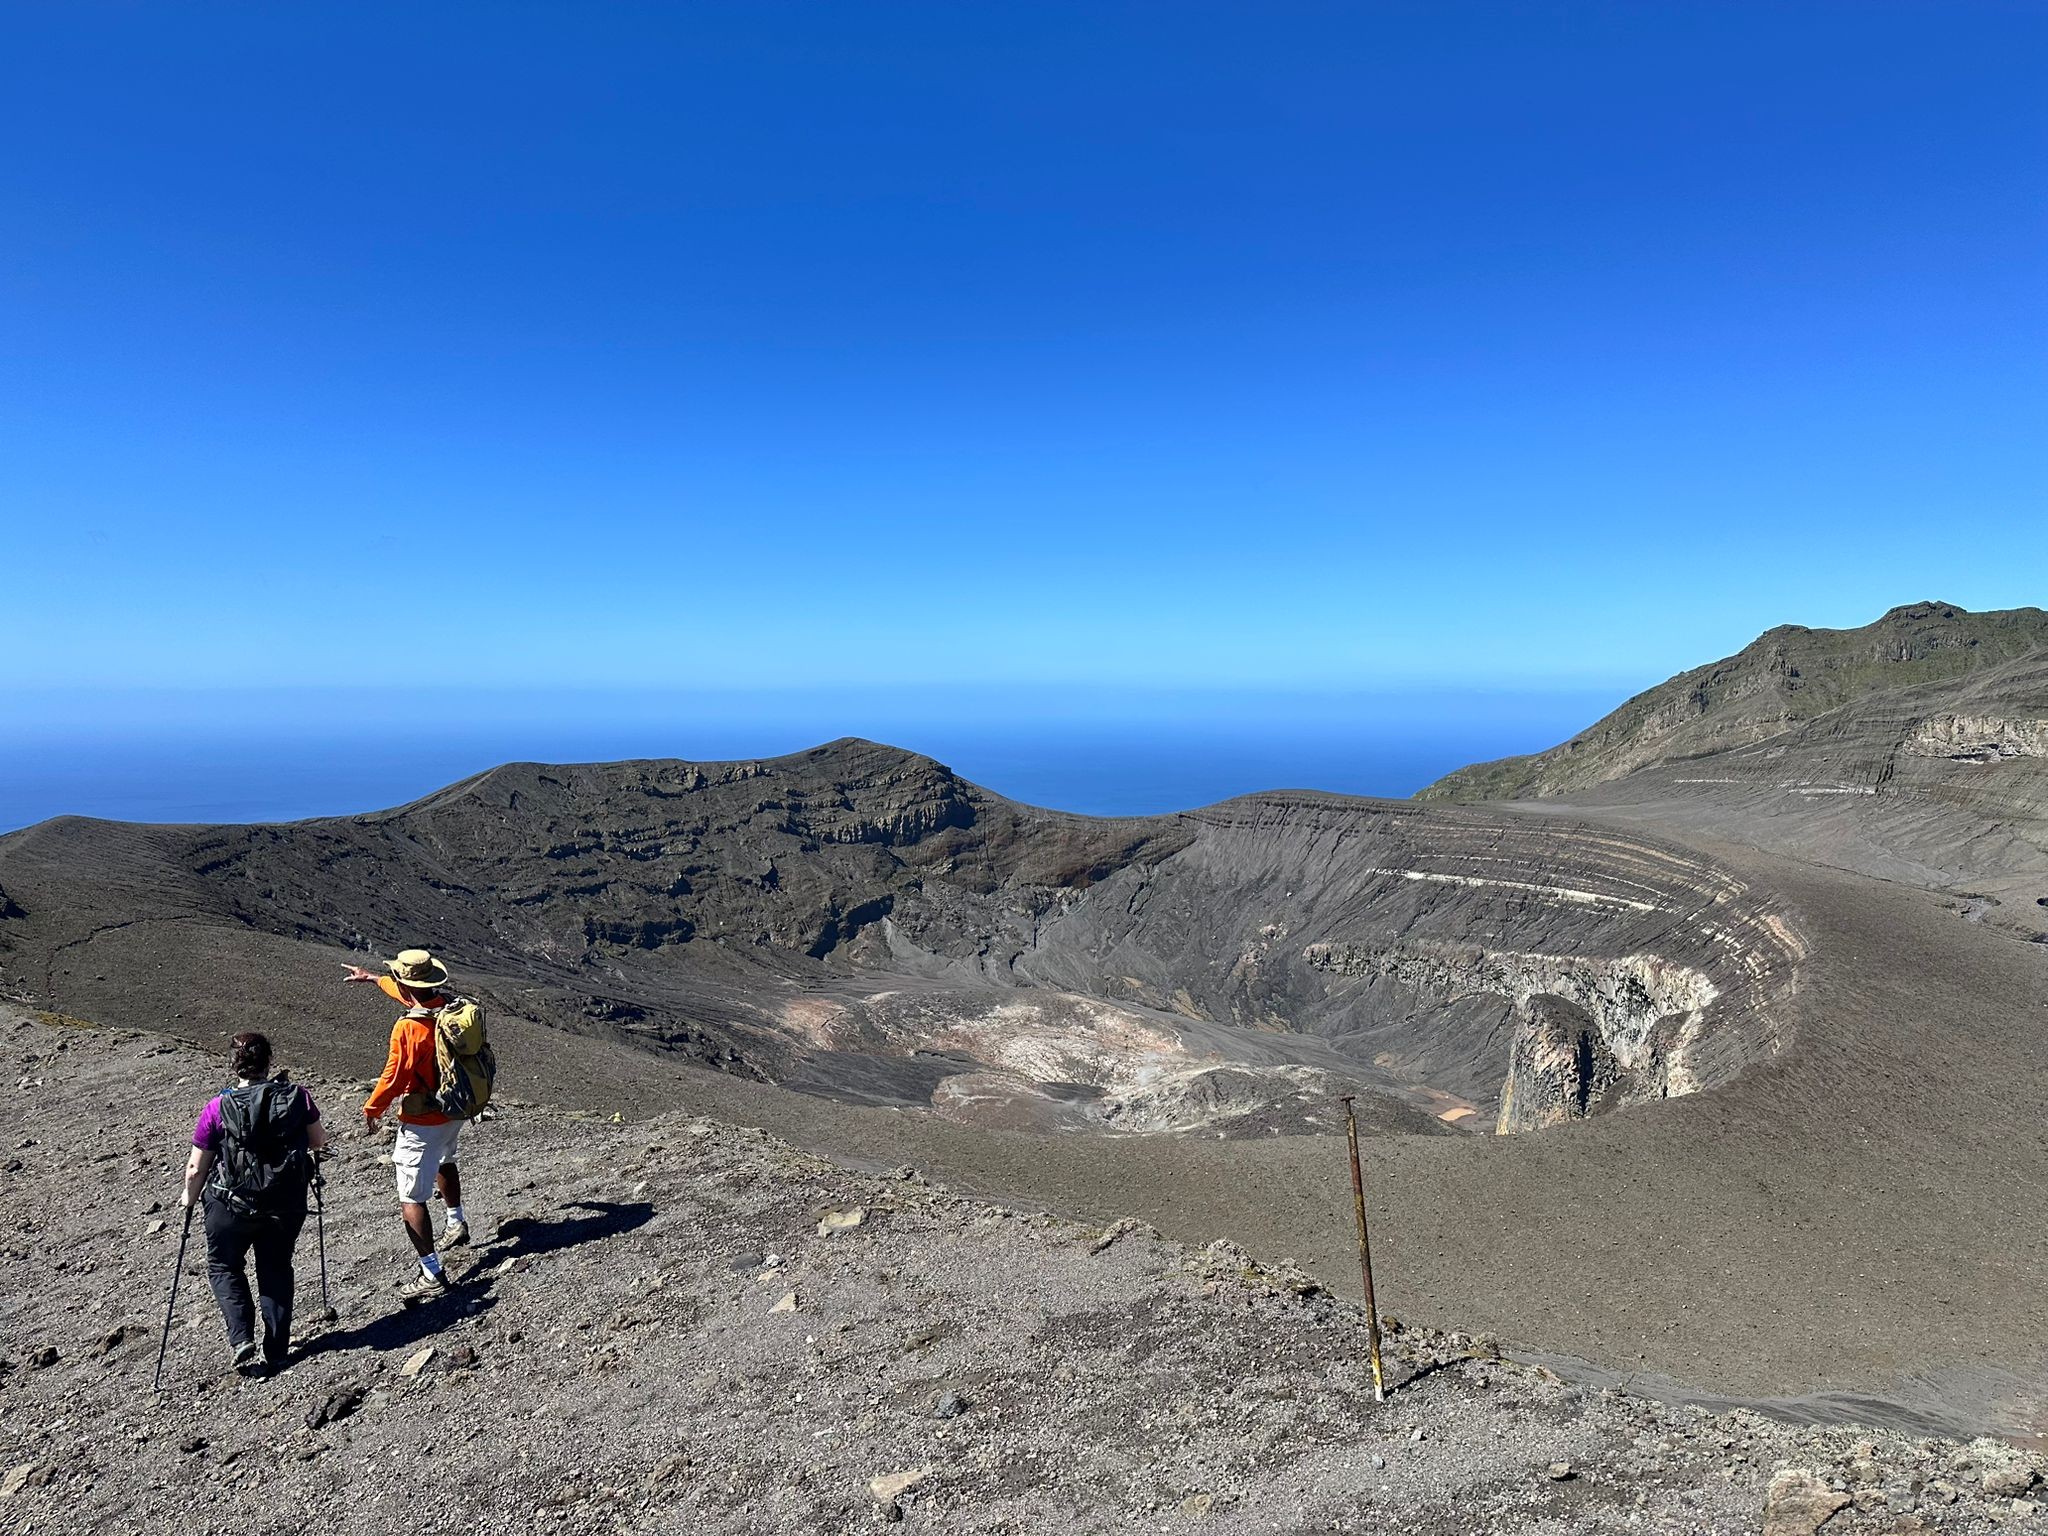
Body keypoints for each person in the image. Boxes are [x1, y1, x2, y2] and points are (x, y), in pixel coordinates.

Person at [181, 1031, 328, 1374]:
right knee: (275, 1268)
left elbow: (195, 1166)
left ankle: (241, 1338)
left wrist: (189, 1199)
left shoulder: (217, 1107)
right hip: (285, 1202)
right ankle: (276, 1348)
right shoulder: (297, 1097)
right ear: (268, 1061)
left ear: (235, 1064)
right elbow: (319, 1141)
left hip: (231, 1204)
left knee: (223, 1266)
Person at [345, 947, 471, 1301]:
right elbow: (409, 992)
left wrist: (373, 1107)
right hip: (455, 1108)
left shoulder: (409, 1028)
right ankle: (455, 1221)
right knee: (446, 1159)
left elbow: (395, 1075)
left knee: (411, 1197)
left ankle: (431, 1271)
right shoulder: (448, 1005)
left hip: (423, 1118)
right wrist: (373, 979)